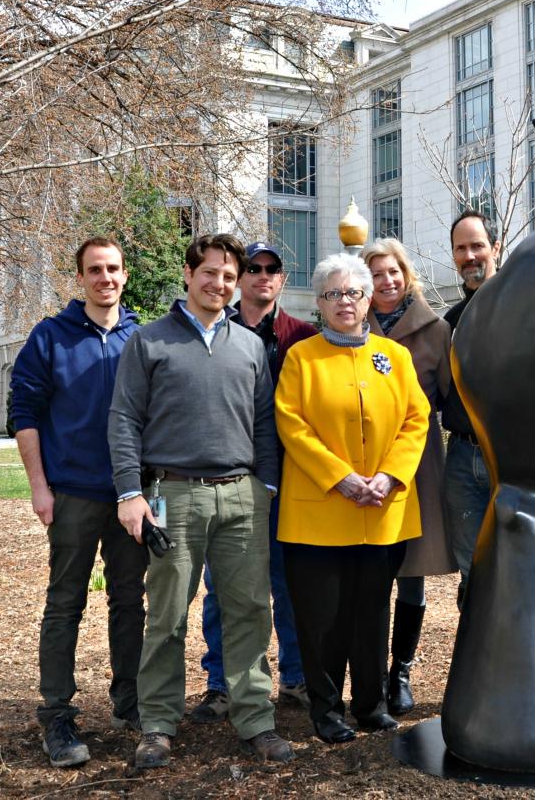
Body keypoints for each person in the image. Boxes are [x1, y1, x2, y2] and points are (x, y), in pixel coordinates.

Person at [109, 233, 293, 768]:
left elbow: (264, 424)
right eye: (210, 273)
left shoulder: (251, 346)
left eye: (229, 277)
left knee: (250, 610)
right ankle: (159, 722)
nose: (219, 284)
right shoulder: (148, 342)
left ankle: (254, 717)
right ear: (189, 275)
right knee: (167, 615)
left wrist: (267, 486)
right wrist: (130, 493)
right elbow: (123, 421)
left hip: (242, 496)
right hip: (171, 495)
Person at [274, 254, 429, 744]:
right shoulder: (303, 357)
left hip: (381, 512)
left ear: (368, 300)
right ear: (320, 303)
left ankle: (371, 704)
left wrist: (389, 476)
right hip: (319, 515)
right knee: (322, 620)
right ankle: (326, 711)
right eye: (334, 294)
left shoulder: (395, 357)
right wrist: (339, 476)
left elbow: (416, 419)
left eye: (354, 293)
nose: (345, 301)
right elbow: (291, 424)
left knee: (371, 613)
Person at [10, 237, 147, 768]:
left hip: (130, 495)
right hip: (70, 492)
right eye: (95, 269)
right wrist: (39, 487)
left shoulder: (142, 336)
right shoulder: (50, 336)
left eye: (113, 268)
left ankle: (129, 702)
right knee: (65, 601)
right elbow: (24, 413)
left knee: (129, 601)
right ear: (81, 277)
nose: (105, 278)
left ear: (125, 275)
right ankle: (58, 714)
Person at [192, 240, 316, 723]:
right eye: (254, 268)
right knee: (223, 589)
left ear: (282, 280)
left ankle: (296, 678)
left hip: (291, 483)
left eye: (273, 269)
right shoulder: (215, 333)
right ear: (240, 277)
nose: (263, 275)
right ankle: (221, 684)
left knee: (290, 585)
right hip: (232, 479)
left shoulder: (303, 336)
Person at [361, 238, 455, 715]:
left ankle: (401, 671)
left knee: (412, 573)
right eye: (377, 274)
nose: (387, 281)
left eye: (393, 272)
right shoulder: (352, 323)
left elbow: (449, 399)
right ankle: (371, 674)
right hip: (362, 465)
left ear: (407, 274)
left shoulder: (436, 330)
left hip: (417, 464)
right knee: (371, 574)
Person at [441, 210, 501, 606]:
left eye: (477, 245)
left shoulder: (525, 306)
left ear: (495, 248)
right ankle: (478, 664)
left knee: (514, 566)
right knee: (473, 574)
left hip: (510, 457)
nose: (469, 256)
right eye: (461, 248)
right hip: (461, 459)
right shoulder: (451, 321)